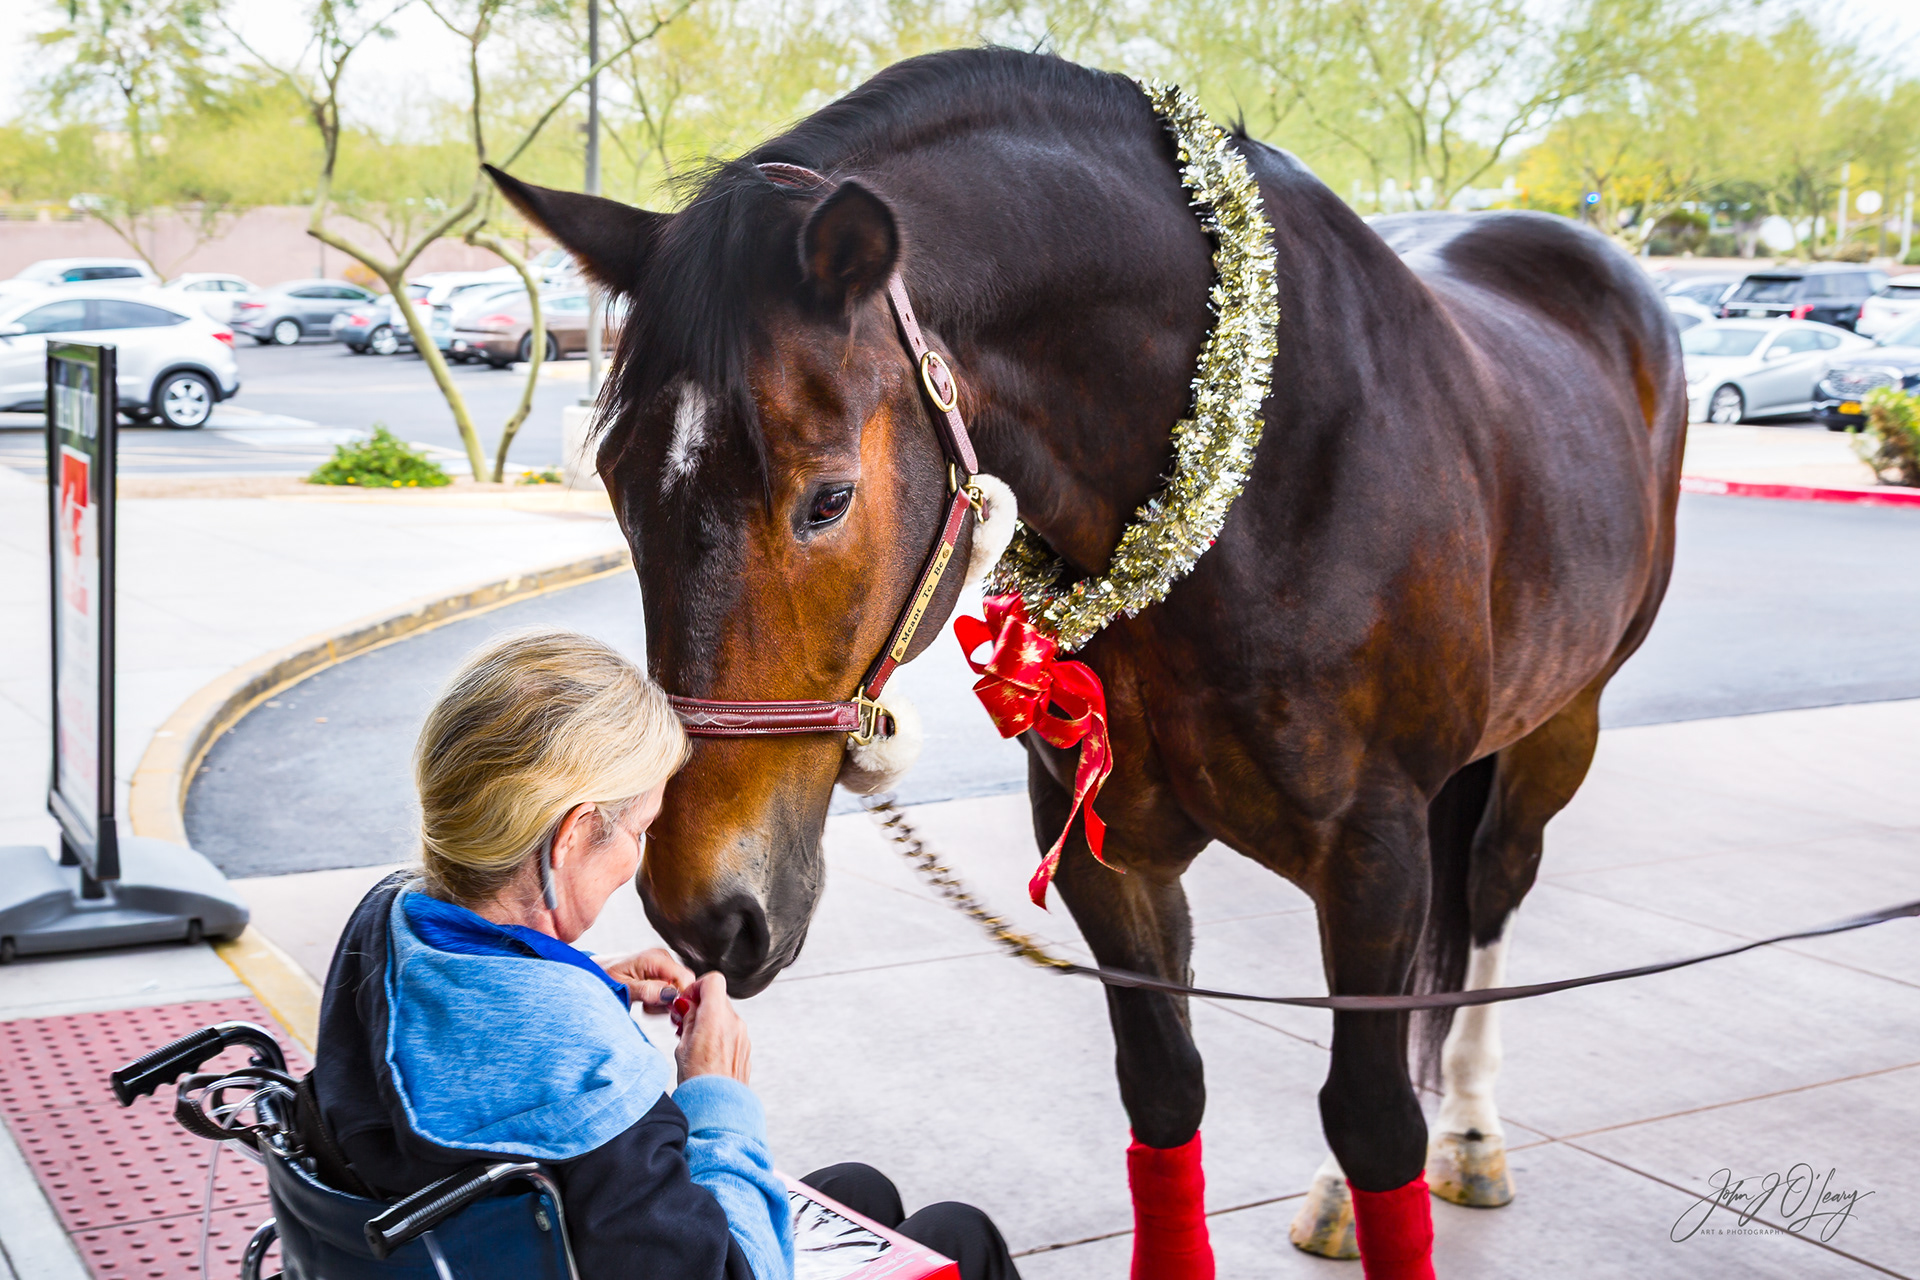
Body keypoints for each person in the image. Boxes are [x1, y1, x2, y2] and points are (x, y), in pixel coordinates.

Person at [312, 628, 1020, 1280]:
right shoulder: (593, 1082)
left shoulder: (384, 921)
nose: (636, 860)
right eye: (640, 829)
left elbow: (466, 1037)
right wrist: (717, 1093)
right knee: (959, 1235)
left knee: (862, 1191)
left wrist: (585, 984)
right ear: (571, 837)